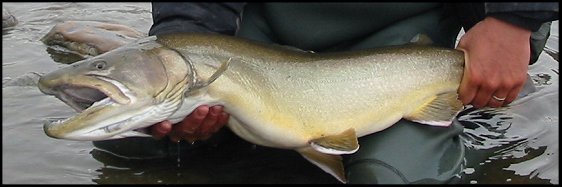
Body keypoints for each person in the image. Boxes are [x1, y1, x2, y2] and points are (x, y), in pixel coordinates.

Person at [94, 2, 558, 184]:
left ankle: (470, 137)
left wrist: (516, 20)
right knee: (131, 135)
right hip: (259, 46)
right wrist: (188, 38)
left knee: (392, 179)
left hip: (401, 51)